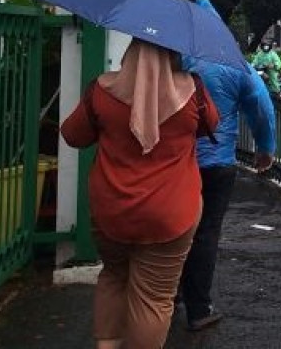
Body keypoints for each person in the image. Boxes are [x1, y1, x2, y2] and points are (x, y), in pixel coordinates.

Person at [60, 39, 219, 349]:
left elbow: (73, 135)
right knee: (154, 297)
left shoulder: (101, 90)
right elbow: (211, 125)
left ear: (129, 52)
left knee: (113, 276)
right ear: (173, 53)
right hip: (172, 212)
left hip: (111, 210)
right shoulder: (192, 89)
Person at [177, 0, 276, 332]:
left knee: (174, 227)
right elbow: (260, 107)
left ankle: (171, 291)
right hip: (218, 164)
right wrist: (265, 147)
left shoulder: (177, 57)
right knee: (206, 232)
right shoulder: (234, 63)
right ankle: (199, 307)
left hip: (175, 163)